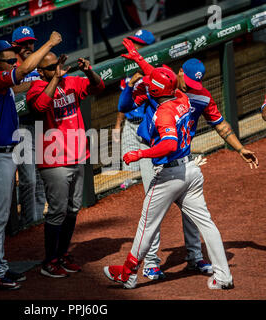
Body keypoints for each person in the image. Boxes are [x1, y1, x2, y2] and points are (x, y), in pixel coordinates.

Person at [117, 40, 259, 280]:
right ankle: (151, 262)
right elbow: (150, 78)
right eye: (188, 82)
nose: (191, 87)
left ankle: (194, 257)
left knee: (190, 212)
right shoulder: (161, 87)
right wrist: (139, 61)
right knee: (153, 213)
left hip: (180, 156)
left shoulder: (197, 96)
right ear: (178, 74)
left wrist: (239, 148)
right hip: (152, 152)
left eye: (196, 84)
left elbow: (221, 125)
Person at [104, 67, 235, 290]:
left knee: (147, 225)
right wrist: (140, 68)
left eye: (149, 86)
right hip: (191, 171)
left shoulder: (163, 112)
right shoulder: (181, 97)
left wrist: (140, 153)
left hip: (169, 175)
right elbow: (154, 84)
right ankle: (224, 276)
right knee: (206, 223)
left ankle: (127, 273)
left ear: (155, 91)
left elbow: (169, 144)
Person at [0, 32, 62, 290]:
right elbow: (24, 71)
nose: (14, 64)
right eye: (8, 61)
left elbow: (23, 77)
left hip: (2, 153)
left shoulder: (1, 84)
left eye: (14, 60)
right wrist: (49, 44)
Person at [26, 53, 105, 278]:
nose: (58, 68)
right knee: (57, 212)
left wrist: (88, 70)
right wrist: (54, 79)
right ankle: (49, 261)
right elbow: (40, 107)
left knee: (72, 210)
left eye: (58, 64)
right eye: (51, 67)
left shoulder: (72, 81)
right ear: (41, 71)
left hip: (78, 155)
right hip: (54, 160)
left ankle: (62, 254)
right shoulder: (36, 87)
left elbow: (99, 87)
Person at [11, 26, 46, 229]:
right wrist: (36, 84)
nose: (28, 47)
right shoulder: (12, 66)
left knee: (41, 180)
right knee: (28, 180)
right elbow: (12, 89)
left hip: (42, 125)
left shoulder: (41, 63)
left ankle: (37, 221)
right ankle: (27, 223)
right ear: (16, 46)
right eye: (23, 44)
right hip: (22, 128)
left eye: (30, 42)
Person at [114, 29, 155, 174]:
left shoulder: (155, 70)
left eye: (139, 44)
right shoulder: (127, 69)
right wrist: (118, 124)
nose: (135, 47)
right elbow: (123, 99)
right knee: (129, 171)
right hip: (130, 125)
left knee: (151, 170)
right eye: (134, 42)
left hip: (149, 126)